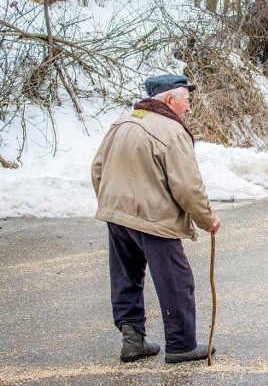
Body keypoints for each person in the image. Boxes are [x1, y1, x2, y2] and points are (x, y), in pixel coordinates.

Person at [91, 74, 221, 363]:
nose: (188, 108)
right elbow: (188, 186)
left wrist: (111, 202)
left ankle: (133, 341)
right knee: (177, 280)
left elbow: (97, 167)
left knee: (126, 277)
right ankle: (181, 345)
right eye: (186, 101)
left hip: (117, 213)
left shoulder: (123, 121)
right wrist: (207, 218)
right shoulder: (172, 131)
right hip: (153, 217)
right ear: (170, 99)